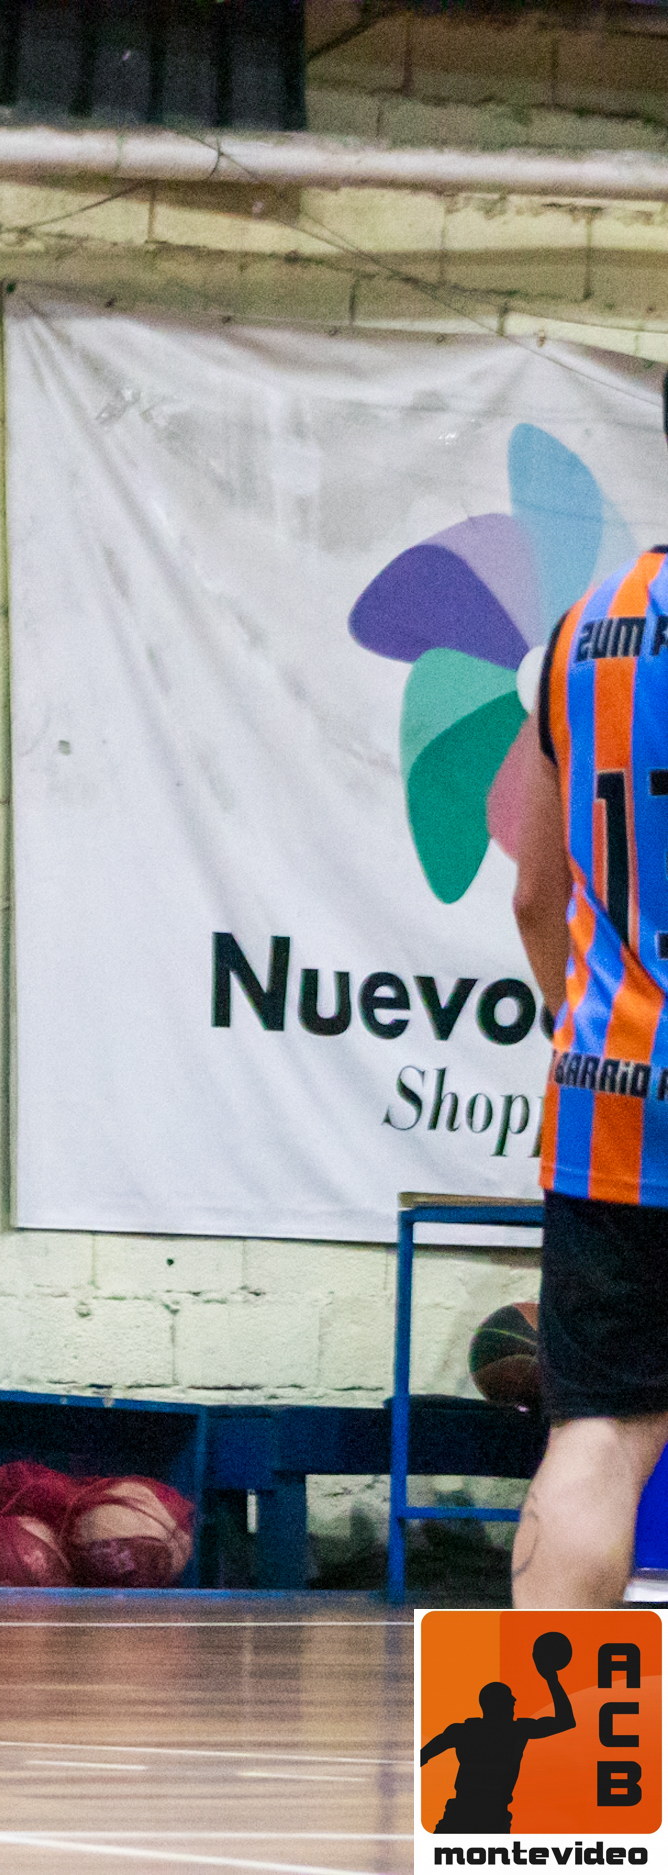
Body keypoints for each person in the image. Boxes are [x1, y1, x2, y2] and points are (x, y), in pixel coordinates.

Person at [511, 408, 668, 1608]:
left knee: (597, 1433)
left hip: (614, 1104)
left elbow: (534, 896)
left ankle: (539, 1730)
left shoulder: (581, 628)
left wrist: (590, 1040)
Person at [420, 1657, 576, 1833]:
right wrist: (551, 1679)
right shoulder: (517, 1730)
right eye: (509, 1697)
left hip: (464, 1816)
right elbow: (565, 1721)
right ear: (498, 1704)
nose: (514, 1700)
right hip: (488, 1819)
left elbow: (423, 1755)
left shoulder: (464, 1731)